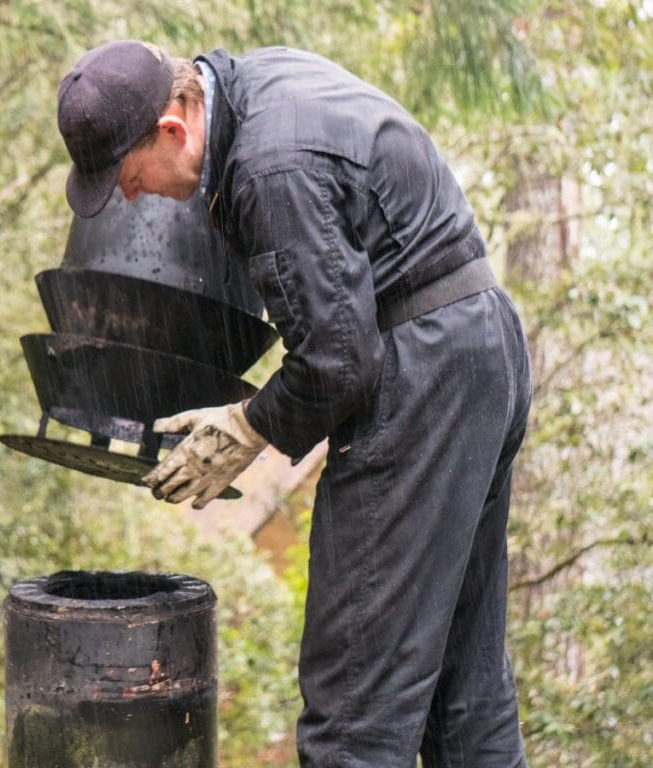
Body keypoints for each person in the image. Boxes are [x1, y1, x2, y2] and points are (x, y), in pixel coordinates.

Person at [56, 40, 531, 767]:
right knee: (465, 694)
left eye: (128, 176)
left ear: (174, 129)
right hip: (478, 348)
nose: (130, 196)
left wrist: (249, 424)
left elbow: (339, 361)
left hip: (422, 379)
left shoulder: (268, 170)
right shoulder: (255, 87)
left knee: (354, 712)